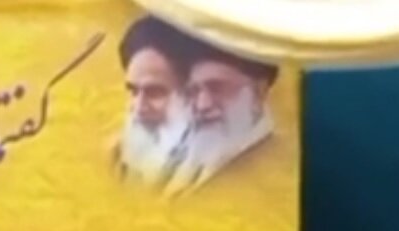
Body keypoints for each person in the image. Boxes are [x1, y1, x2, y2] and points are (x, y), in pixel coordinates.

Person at [164, 39, 280, 196]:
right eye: (193, 92)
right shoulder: (183, 160)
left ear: (259, 92)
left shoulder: (275, 170)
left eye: (217, 88)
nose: (202, 105)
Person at [112, 15, 194, 186]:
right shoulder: (115, 154)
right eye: (133, 91)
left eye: (155, 92)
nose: (138, 108)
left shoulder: (225, 176)